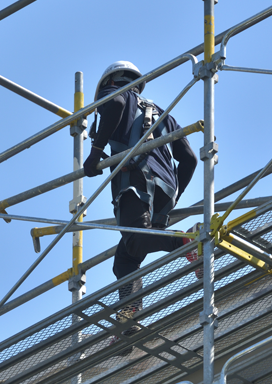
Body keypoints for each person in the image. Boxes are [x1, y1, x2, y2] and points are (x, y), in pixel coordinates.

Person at [83, 61, 198, 349]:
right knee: (126, 257)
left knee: (134, 240)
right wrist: (171, 199)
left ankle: (186, 241)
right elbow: (189, 159)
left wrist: (96, 151)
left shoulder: (114, 94)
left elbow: (116, 103)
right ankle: (129, 317)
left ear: (110, 82)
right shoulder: (160, 113)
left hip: (135, 182)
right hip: (166, 188)